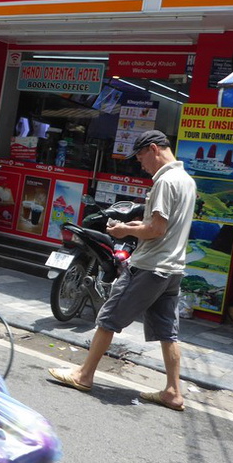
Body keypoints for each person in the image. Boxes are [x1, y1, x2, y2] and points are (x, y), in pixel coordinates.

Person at [47, 130, 197, 411]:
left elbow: (156, 229)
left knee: (108, 318)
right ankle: (174, 392)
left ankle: (84, 375)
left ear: (153, 149)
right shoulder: (187, 181)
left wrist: (123, 229)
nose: (142, 165)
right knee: (168, 332)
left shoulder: (165, 180)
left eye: (141, 158)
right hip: (173, 269)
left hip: (150, 267)